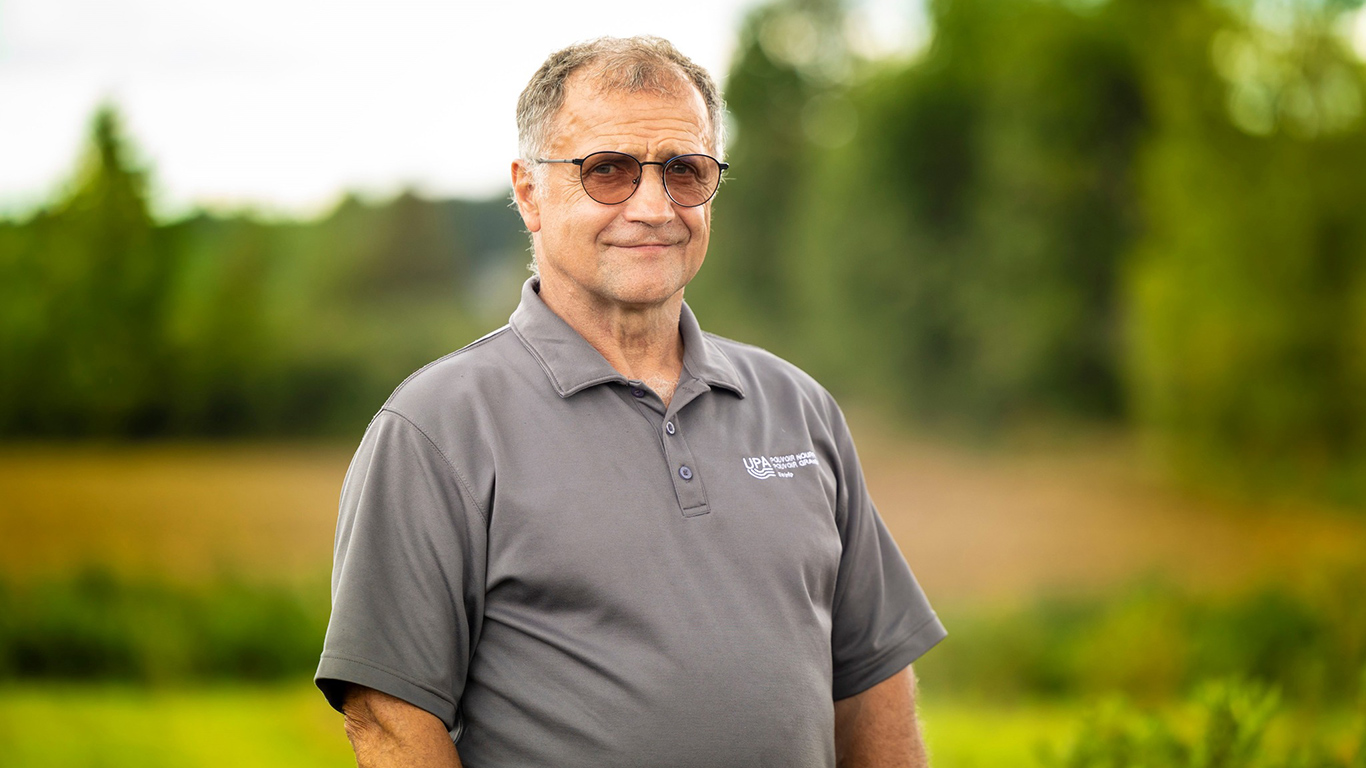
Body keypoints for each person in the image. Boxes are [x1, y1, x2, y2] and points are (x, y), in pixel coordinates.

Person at [315, 35, 946, 768]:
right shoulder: (436, 427)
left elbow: (872, 675)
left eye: (685, 171)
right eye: (608, 170)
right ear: (528, 193)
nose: (654, 206)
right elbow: (390, 717)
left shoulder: (797, 407)